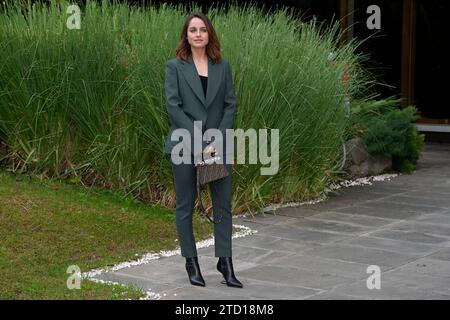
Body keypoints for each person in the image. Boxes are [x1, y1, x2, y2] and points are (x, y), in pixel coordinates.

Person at [164, 12, 243, 288]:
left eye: (203, 30)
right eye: (193, 30)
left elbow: (230, 105)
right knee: (185, 205)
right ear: (186, 35)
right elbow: (173, 107)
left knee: (223, 205)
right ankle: (191, 262)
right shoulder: (174, 67)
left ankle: (226, 263)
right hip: (185, 144)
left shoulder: (223, 66)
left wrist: (216, 140)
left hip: (217, 144)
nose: (198, 34)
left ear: (210, 34)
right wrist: (200, 142)